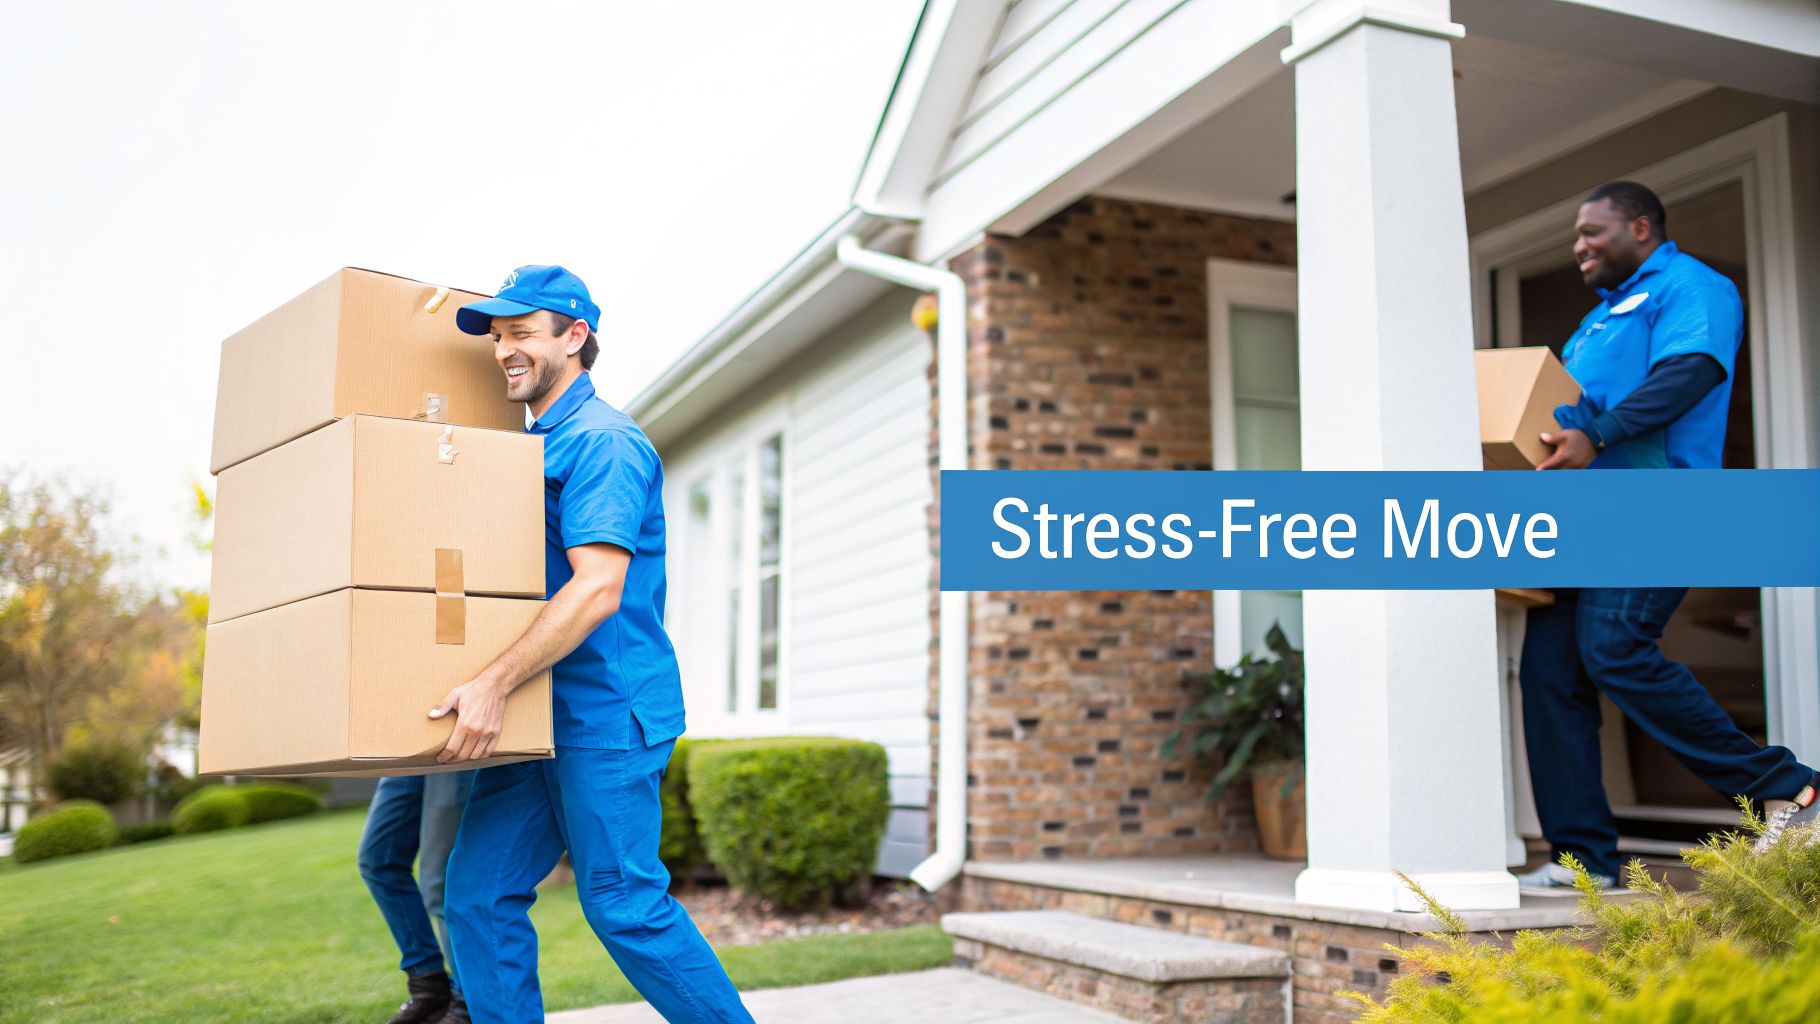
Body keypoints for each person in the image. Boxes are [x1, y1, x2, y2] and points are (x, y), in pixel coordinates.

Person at [428, 265, 753, 1024]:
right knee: (475, 894)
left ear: (575, 337)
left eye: (523, 334)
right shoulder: (532, 446)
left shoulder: (603, 443)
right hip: (539, 713)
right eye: (498, 337)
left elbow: (598, 588)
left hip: (607, 714)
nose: (505, 350)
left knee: (624, 904)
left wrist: (491, 682)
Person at [1518, 181, 1819, 891]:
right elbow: (1562, 409)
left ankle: (1793, 790)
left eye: (1593, 232)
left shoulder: (1691, 287)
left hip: (1661, 506)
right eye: (1576, 235)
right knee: (1550, 673)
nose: (1578, 247)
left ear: (1643, 227)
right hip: (1583, 521)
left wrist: (1595, 433)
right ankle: (1582, 860)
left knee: (1616, 648)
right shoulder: (1596, 323)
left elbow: (1691, 372)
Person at [357, 771, 476, 1024]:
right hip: (406, 746)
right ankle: (429, 985)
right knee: (378, 861)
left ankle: (466, 1005)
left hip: (454, 747)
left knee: (443, 883)